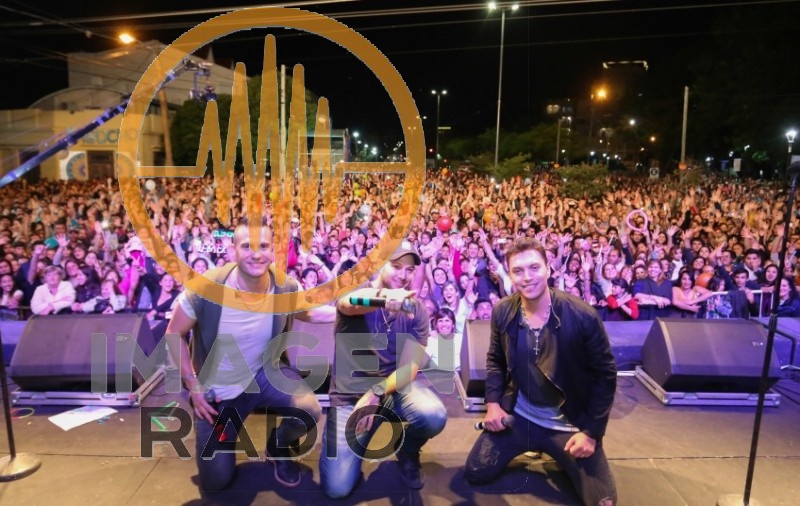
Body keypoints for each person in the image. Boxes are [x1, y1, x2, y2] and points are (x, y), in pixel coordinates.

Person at [165, 218, 335, 492]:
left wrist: (348, 311)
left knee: (309, 410)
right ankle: (225, 437)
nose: (256, 254)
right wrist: (193, 384)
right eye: (247, 246)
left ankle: (277, 447)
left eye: (263, 246)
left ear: (272, 250)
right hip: (220, 392)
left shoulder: (284, 286)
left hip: (264, 374)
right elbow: (174, 333)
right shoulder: (206, 288)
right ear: (233, 250)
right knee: (216, 482)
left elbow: (310, 312)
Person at [464, 237, 617, 506]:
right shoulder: (503, 311)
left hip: (568, 425)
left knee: (602, 501)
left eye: (534, 267)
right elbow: (495, 360)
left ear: (549, 268)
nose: (527, 277)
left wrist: (591, 433)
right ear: (509, 275)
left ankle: (558, 453)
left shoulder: (582, 315)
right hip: (519, 417)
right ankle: (539, 448)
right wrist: (493, 404)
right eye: (518, 270)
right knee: (476, 471)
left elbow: (605, 376)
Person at [320, 241, 447, 499]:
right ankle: (356, 446)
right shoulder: (357, 291)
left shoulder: (417, 310)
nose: (403, 275)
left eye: (409, 270)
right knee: (337, 488)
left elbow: (409, 368)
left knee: (433, 414)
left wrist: (377, 393)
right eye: (396, 266)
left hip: (389, 391)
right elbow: (348, 303)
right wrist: (384, 298)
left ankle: (407, 448)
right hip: (349, 399)